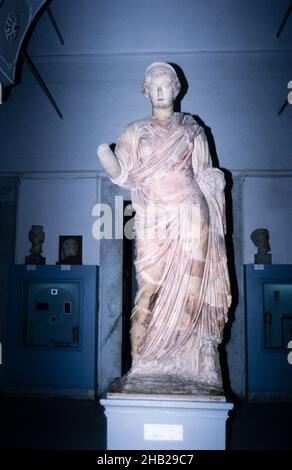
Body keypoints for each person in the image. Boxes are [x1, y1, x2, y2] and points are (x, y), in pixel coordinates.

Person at [98, 62, 231, 393]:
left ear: (176, 89)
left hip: (190, 212)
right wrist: (112, 166)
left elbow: (205, 171)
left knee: (192, 291)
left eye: (165, 85)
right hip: (154, 217)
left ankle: (199, 362)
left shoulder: (192, 129)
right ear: (146, 91)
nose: (160, 91)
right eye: (153, 86)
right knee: (148, 290)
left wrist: (215, 183)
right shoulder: (134, 132)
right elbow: (126, 175)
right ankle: (144, 364)